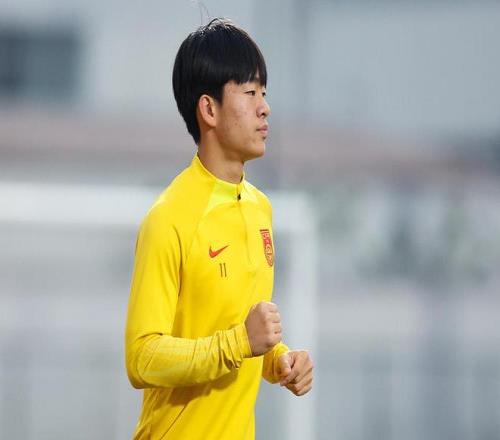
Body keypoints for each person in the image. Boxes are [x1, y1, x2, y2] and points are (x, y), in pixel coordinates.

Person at [125, 17, 313, 440]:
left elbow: (239, 332)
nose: (264, 107)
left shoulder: (260, 209)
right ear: (209, 109)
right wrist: (239, 343)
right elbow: (141, 357)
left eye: (264, 93)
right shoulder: (169, 217)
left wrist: (279, 360)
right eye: (249, 92)